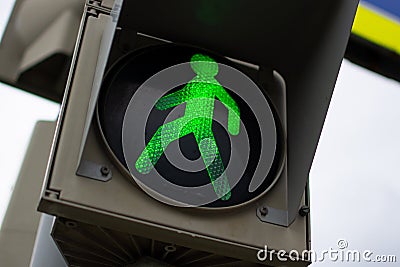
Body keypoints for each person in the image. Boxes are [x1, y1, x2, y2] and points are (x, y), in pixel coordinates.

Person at [135, 53, 240, 200]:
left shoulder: (213, 84)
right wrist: (163, 102)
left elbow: (231, 104)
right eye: (197, 65)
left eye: (201, 65)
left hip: (202, 124)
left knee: (211, 156)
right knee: (163, 133)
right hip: (187, 119)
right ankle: (142, 168)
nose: (198, 67)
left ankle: (223, 192)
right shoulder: (194, 81)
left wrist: (234, 127)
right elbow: (182, 95)